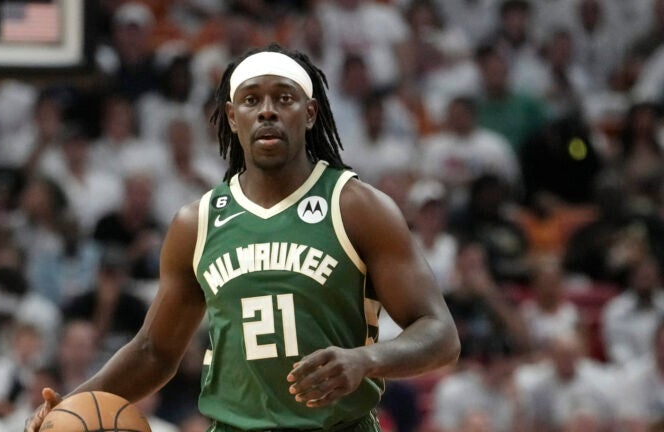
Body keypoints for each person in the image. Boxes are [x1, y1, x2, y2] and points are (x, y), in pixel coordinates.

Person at [24, 43, 459, 432]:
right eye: (251, 100)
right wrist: (71, 403)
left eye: (283, 98)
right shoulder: (197, 223)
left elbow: (440, 334)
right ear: (232, 117)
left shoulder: (357, 206)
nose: (267, 110)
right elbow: (154, 351)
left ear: (309, 113)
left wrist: (367, 360)